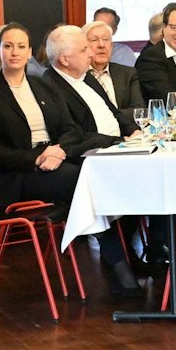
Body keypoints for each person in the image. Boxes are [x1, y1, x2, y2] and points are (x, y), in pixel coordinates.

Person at [39, 24, 143, 296]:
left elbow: (113, 112)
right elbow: (74, 135)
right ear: (64, 59)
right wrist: (116, 142)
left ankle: (145, 252)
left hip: (117, 146)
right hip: (89, 155)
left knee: (154, 173)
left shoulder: (86, 77)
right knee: (128, 183)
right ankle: (120, 263)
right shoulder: (50, 88)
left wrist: (134, 130)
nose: (91, 53)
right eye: (84, 48)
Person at [0, 24, 109, 210]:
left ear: (29, 53)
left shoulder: (44, 86)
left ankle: (101, 235)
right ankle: (96, 237)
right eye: (8, 46)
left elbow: (69, 128)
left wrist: (59, 151)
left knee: (103, 170)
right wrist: (37, 158)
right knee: (81, 178)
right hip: (20, 173)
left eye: (21, 47)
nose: (14, 52)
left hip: (57, 158)